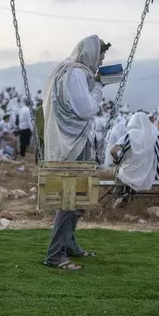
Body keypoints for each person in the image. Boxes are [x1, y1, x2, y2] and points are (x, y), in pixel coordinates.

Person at [42, 35, 110, 270]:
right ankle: (55, 254)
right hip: (74, 145)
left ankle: (69, 243)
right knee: (70, 200)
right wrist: (100, 86)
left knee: (78, 198)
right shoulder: (76, 73)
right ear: (91, 53)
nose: (101, 60)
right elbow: (85, 109)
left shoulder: (65, 70)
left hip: (69, 142)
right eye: (101, 55)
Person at [109, 112, 159, 192]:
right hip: (145, 180)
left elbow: (113, 151)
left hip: (126, 176)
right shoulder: (155, 137)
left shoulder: (130, 135)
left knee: (118, 195)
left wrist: (118, 161)